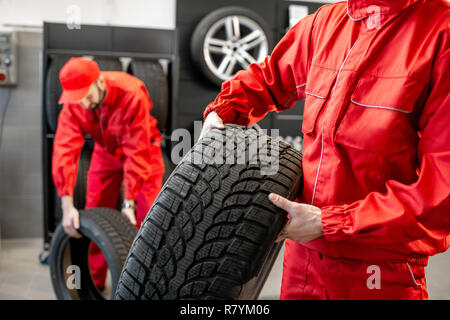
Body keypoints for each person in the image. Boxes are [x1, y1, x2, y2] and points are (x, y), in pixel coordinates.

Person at [200, 0, 450, 299]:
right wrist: (224, 110)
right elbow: (270, 78)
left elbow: (440, 194)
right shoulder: (326, 22)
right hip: (302, 261)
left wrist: (332, 223)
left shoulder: (441, 34)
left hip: (378, 270)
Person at [52, 57, 165, 289]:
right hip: (106, 151)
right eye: (76, 98)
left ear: (100, 82)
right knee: (96, 214)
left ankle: (148, 284)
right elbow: (65, 149)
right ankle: (95, 281)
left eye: (86, 94)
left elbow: (137, 151)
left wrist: (128, 203)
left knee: (148, 219)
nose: (82, 103)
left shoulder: (131, 92)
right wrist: (66, 204)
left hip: (144, 151)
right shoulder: (74, 102)